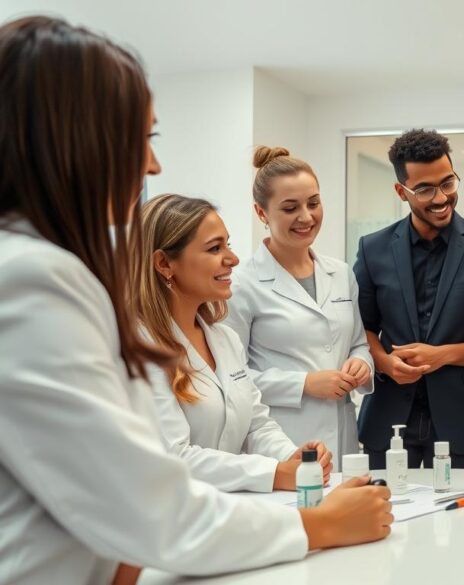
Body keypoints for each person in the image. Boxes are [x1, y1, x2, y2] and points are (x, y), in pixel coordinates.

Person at [0, 16, 391, 585]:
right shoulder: (32, 279)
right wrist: (318, 525)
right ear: (71, 136)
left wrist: (288, 467)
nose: (151, 166)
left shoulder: (50, 271)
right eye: (143, 140)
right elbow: (148, 503)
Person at [132, 194, 332, 492]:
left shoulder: (224, 339)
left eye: (228, 243)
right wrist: (274, 473)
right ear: (164, 264)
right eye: (215, 248)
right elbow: (174, 455)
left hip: (226, 509)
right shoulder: (138, 348)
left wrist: (292, 458)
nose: (233, 259)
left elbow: (256, 425)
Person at [354, 129, 464, 470]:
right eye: (424, 189)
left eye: (448, 183)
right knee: (383, 518)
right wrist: (384, 362)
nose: (440, 198)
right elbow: (361, 330)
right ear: (401, 191)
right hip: (387, 419)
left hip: (463, 424)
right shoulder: (372, 249)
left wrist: (440, 356)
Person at [225, 147, 373, 458]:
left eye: (314, 203)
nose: (306, 217)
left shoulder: (341, 273)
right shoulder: (242, 283)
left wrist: (362, 364)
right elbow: (230, 377)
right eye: (290, 208)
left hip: (343, 436)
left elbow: (358, 343)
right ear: (261, 213)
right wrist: (304, 384)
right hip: (282, 439)